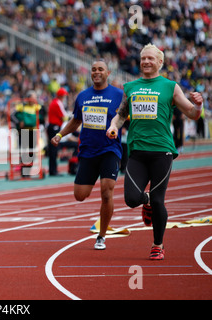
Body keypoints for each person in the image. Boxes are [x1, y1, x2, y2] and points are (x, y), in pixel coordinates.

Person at [106, 43, 204, 260]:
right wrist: (114, 126)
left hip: (162, 152)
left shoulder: (170, 86)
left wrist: (198, 106)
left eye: (151, 59)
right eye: (143, 59)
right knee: (131, 198)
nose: (146, 62)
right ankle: (146, 199)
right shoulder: (131, 87)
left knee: (159, 201)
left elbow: (191, 113)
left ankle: (158, 244)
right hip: (137, 151)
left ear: (160, 62)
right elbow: (121, 115)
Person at [51, 60, 123, 250]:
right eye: (93, 70)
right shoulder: (83, 96)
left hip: (110, 149)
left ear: (108, 73)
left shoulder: (119, 95)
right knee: (80, 195)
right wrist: (60, 135)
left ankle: (101, 236)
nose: (96, 72)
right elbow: (75, 121)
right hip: (88, 151)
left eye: (100, 69)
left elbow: (126, 117)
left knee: (107, 192)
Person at [47, 87, 69, 176]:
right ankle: (53, 170)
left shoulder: (54, 102)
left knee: (52, 149)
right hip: (55, 127)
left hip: (52, 126)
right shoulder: (58, 103)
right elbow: (64, 116)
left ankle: (52, 169)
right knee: (54, 149)